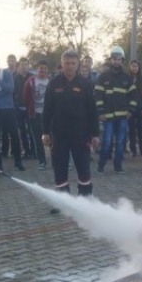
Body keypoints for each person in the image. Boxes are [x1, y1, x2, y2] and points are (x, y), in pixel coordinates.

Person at [42, 49, 99, 213]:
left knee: (83, 168)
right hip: (59, 135)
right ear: (62, 64)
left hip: (81, 135)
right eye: (66, 63)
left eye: (73, 63)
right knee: (59, 169)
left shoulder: (86, 84)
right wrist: (45, 132)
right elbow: (47, 110)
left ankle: (85, 201)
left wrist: (95, 134)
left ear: (77, 65)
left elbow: (92, 112)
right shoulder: (53, 84)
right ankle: (62, 202)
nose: (69, 66)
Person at [95, 45, 137, 173]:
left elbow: (134, 95)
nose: (117, 61)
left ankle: (118, 166)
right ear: (110, 60)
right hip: (107, 116)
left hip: (122, 116)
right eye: (114, 59)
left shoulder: (126, 78)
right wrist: (100, 112)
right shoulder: (103, 77)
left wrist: (131, 110)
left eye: (119, 59)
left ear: (122, 60)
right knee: (106, 142)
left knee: (120, 142)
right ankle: (101, 166)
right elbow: (97, 95)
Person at [24, 59, 50, 169]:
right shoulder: (30, 81)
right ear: (37, 69)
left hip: (48, 114)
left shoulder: (50, 81)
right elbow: (25, 96)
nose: (42, 70)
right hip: (35, 114)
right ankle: (42, 162)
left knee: (52, 137)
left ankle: (56, 159)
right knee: (38, 138)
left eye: (44, 68)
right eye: (40, 68)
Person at [127, 59, 142, 157]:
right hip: (130, 109)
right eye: (133, 66)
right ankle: (133, 150)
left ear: (139, 67)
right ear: (130, 67)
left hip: (140, 108)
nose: (134, 68)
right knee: (131, 130)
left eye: (136, 66)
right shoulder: (127, 79)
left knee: (141, 130)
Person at [14, 58, 34, 159]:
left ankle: (34, 151)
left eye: (26, 64)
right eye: (22, 64)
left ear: (28, 66)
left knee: (32, 131)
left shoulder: (32, 77)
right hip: (19, 108)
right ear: (18, 66)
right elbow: (13, 93)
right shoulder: (14, 78)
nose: (24, 67)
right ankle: (26, 151)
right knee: (22, 131)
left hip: (30, 108)